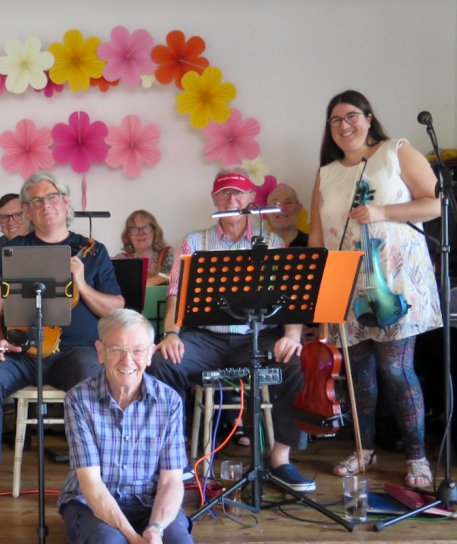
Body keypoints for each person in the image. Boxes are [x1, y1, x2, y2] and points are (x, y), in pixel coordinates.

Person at [0, 172, 124, 520]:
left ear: (65, 203)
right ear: (28, 213)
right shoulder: (10, 251)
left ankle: (97, 479)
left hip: (74, 353)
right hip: (22, 353)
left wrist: (82, 283)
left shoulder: (94, 252)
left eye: (51, 198)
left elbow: (117, 308)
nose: (44, 205)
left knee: (95, 375)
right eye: (34, 201)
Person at [148, 168, 316, 492]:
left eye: (239, 193)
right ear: (214, 199)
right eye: (224, 193)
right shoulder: (195, 241)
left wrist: (292, 335)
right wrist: (171, 334)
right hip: (206, 337)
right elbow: (176, 300)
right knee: (161, 363)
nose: (232, 199)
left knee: (294, 362)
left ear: (252, 199)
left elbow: (290, 302)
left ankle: (280, 459)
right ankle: (176, 459)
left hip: (257, 335)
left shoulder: (272, 242)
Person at [309, 90, 441, 488]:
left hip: (393, 283)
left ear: (368, 118)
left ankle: (418, 459)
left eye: (351, 116)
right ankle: (363, 449)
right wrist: (324, 299)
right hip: (347, 284)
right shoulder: (326, 173)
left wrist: (382, 212)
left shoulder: (395, 151)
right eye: (335, 120)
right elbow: (318, 238)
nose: (344, 126)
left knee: (396, 370)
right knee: (357, 376)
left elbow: (434, 203)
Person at [60, 309, 193, 544]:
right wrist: (133, 538)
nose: (128, 360)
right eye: (117, 350)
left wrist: (155, 528)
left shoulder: (170, 401)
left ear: (151, 354)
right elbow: (91, 484)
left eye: (138, 351)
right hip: (92, 502)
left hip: (151, 502)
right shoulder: (78, 400)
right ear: (100, 352)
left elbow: (171, 481)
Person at [114, 210, 173, 286]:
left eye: (146, 227)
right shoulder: (121, 259)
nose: (140, 233)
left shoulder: (167, 254)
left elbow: (174, 281)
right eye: (134, 229)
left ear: (155, 232)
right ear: (128, 236)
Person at [0, 193, 31, 279]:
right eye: (4, 217)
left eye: (17, 215)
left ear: (29, 216)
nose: (11, 222)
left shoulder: (46, 243)